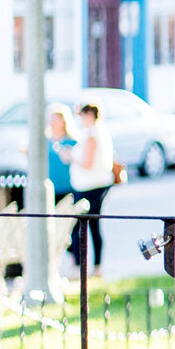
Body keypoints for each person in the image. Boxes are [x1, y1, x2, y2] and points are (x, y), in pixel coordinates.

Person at [64, 101, 116, 271]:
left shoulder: (92, 135)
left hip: (90, 186)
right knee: (93, 225)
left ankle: (79, 266)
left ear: (89, 115)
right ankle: (96, 267)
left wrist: (71, 156)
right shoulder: (98, 132)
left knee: (78, 226)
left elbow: (87, 162)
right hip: (96, 184)